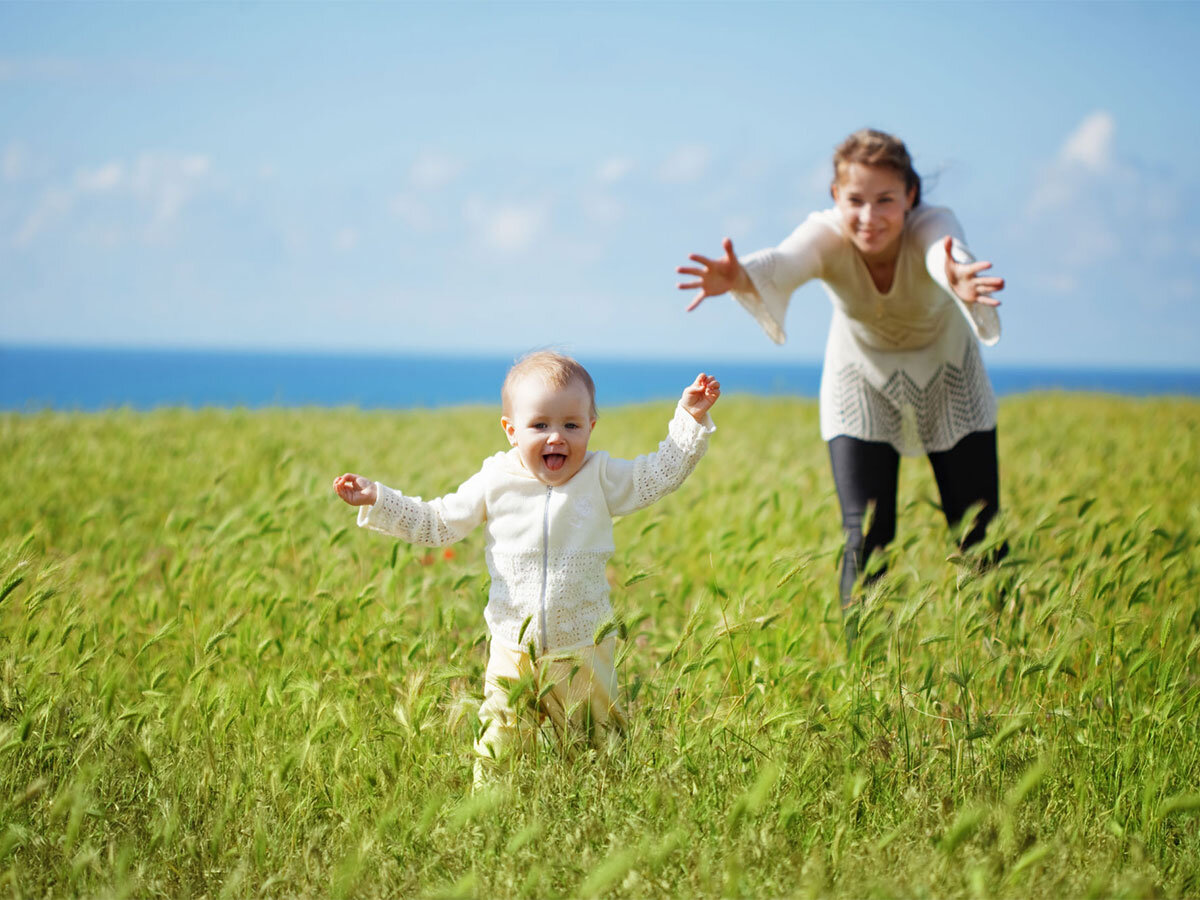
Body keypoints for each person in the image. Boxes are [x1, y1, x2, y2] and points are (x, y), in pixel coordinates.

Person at [677, 128, 1006, 643]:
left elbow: (945, 254)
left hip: (949, 376)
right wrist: (740, 276)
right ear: (836, 197)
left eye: (886, 201)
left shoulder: (932, 226)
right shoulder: (826, 235)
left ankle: (1000, 652)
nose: (869, 217)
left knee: (978, 531)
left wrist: (959, 277)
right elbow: (785, 263)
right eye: (855, 200)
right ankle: (866, 666)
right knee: (865, 534)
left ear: (910, 198)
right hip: (860, 380)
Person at [333, 351, 720, 780]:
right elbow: (439, 522)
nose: (557, 437)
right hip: (512, 648)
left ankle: (603, 813)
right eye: (539, 425)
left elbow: (657, 475)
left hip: (583, 646)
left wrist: (689, 418)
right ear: (511, 430)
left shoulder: (600, 476)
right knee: (497, 748)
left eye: (571, 425)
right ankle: (489, 821)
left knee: (599, 748)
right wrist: (379, 499)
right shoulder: (495, 480)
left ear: (591, 426)